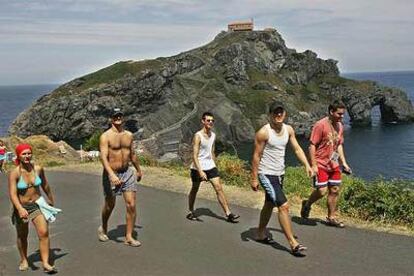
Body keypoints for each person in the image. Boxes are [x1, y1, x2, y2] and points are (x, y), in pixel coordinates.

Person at [251, 102, 313, 256]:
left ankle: (259, 233)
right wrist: (254, 178)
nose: (278, 115)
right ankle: (293, 243)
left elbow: (297, 148)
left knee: (269, 203)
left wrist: (307, 164)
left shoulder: (288, 129)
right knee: (283, 206)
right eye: (275, 113)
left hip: (279, 174)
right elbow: (256, 156)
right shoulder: (263, 133)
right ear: (270, 115)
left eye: (281, 112)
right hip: (266, 173)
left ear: (284, 114)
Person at [300, 100, 352, 228]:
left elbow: (338, 145)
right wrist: (314, 165)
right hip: (321, 163)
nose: (342, 116)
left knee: (334, 190)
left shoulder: (340, 126)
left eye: (343, 114)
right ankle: (307, 204)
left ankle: (331, 217)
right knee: (322, 191)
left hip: (333, 164)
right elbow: (312, 146)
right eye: (339, 114)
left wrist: (344, 163)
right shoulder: (320, 125)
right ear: (331, 112)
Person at [8, 143, 58, 273]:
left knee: (44, 232)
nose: (27, 156)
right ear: (19, 155)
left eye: (29, 153)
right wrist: (19, 208)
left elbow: (45, 185)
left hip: (37, 205)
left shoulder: (38, 169)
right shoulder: (15, 173)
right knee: (22, 235)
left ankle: (46, 263)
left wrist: (51, 199)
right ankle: (24, 259)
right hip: (22, 207)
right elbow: (13, 194)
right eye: (24, 154)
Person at [98, 108, 143, 247]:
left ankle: (128, 237)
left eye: (120, 115)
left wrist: (138, 170)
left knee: (131, 204)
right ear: (111, 119)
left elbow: (132, 154)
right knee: (110, 205)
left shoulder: (129, 135)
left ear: (122, 118)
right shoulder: (105, 136)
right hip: (112, 174)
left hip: (127, 172)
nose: (118, 118)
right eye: (115, 116)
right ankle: (103, 227)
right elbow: (103, 157)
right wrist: (111, 174)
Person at [187, 112, 240, 223]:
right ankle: (191, 211)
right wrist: (201, 171)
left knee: (218, 188)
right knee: (195, 189)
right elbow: (194, 155)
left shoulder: (213, 135)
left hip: (210, 166)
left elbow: (211, 151)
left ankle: (228, 214)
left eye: (212, 121)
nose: (210, 122)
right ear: (203, 121)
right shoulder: (198, 136)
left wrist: (214, 165)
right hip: (197, 167)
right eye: (208, 120)